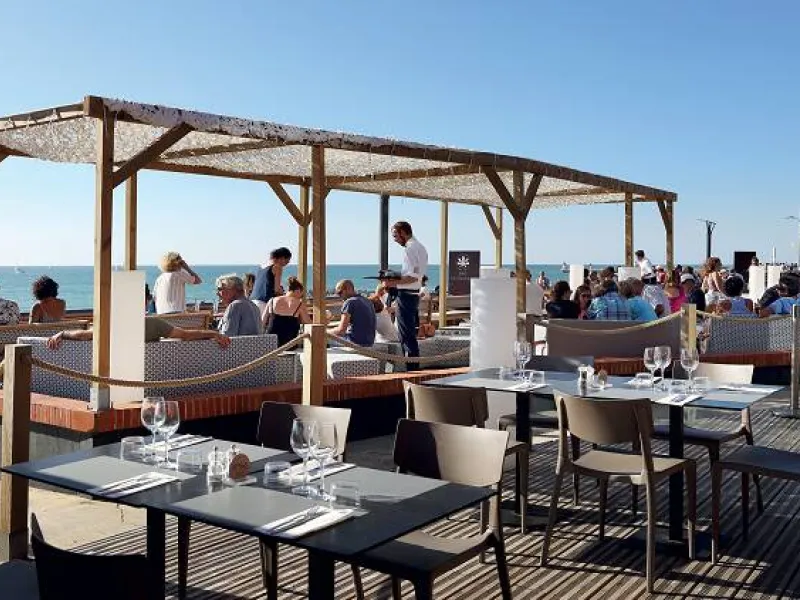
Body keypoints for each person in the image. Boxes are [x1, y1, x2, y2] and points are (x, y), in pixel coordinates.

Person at [48, 285, 230, 348]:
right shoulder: (153, 324)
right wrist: (213, 333)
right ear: (146, 300)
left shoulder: (112, 325)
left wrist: (63, 333)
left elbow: (84, 335)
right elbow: (185, 335)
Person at [383, 221, 428, 369]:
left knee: (406, 336)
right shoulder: (420, 247)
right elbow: (417, 275)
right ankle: (413, 369)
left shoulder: (410, 248)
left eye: (395, 236)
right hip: (413, 295)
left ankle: (412, 371)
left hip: (406, 295)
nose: (395, 240)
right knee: (409, 334)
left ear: (403, 233)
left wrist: (391, 283)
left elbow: (411, 277)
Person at [263, 276, 312, 346]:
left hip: (270, 343)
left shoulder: (272, 300)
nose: (301, 297)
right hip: (289, 344)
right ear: (298, 290)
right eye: (302, 295)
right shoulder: (299, 304)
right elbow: (308, 322)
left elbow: (262, 321)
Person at [329, 279, 376, 346]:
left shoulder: (349, 302)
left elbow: (341, 331)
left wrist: (325, 332)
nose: (339, 296)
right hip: (369, 343)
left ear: (348, 289)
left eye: (340, 293)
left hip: (355, 342)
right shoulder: (368, 301)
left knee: (322, 338)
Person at [251, 247, 292, 316]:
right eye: (287, 261)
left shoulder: (261, 267)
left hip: (253, 301)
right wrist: (285, 296)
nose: (286, 264)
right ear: (282, 258)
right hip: (264, 302)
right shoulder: (277, 267)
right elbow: (277, 290)